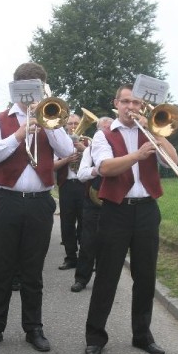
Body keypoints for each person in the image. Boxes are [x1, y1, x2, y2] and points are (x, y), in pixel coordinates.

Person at [0, 62, 74, 352]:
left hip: (39, 203)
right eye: (26, 87)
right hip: (6, 201)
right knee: (2, 270)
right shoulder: (0, 119)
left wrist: (49, 123)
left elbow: (68, 152)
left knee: (33, 272)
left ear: (42, 88)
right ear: (16, 87)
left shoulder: (50, 116)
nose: (30, 94)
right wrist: (19, 133)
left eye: (37, 87)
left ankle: (34, 328)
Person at [84, 84, 178, 354]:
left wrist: (158, 134)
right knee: (107, 275)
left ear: (142, 107)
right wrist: (137, 155)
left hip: (147, 210)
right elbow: (104, 168)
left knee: (146, 276)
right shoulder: (103, 135)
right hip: (116, 210)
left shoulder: (149, 131)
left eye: (136, 103)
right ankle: (95, 336)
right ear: (116, 103)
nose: (131, 107)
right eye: (125, 102)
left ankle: (142, 335)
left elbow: (174, 162)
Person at [70, 116, 113, 292]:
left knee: (111, 244)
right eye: (103, 129)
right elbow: (81, 175)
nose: (106, 132)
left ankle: (105, 282)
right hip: (93, 201)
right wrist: (98, 169)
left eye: (109, 128)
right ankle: (81, 279)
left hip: (114, 201)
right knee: (88, 241)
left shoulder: (120, 148)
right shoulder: (91, 150)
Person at [53, 113, 87, 270]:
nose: (73, 126)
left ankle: (85, 257)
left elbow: (99, 162)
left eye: (76, 123)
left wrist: (84, 150)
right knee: (67, 223)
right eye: (71, 123)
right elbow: (52, 166)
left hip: (84, 186)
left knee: (85, 222)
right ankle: (70, 257)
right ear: (66, 125)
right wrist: (67, 159)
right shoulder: (58, 143)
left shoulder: (87, 141)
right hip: (66, 185)